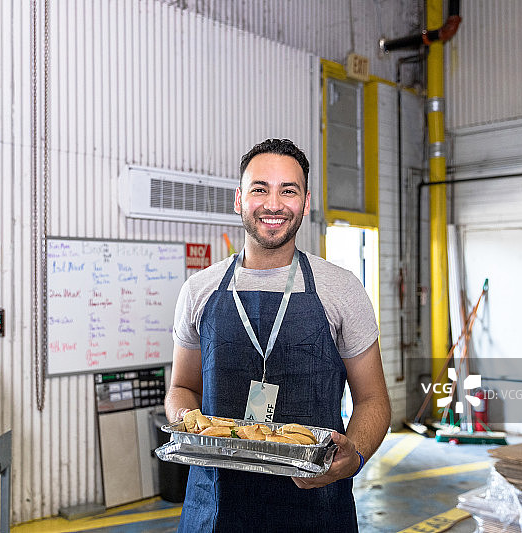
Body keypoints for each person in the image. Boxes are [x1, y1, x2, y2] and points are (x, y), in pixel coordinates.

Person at [165, 138, 391, 532]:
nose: (273, 204)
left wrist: (351, 460)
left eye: (288, 190)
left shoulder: (341, 289)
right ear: (239, 200)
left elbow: (373, 398)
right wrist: (186, 420)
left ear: (305, 203)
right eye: (259, 189)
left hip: (315, 506)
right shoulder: (199, 290)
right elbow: (182, 387)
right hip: (215, 507)